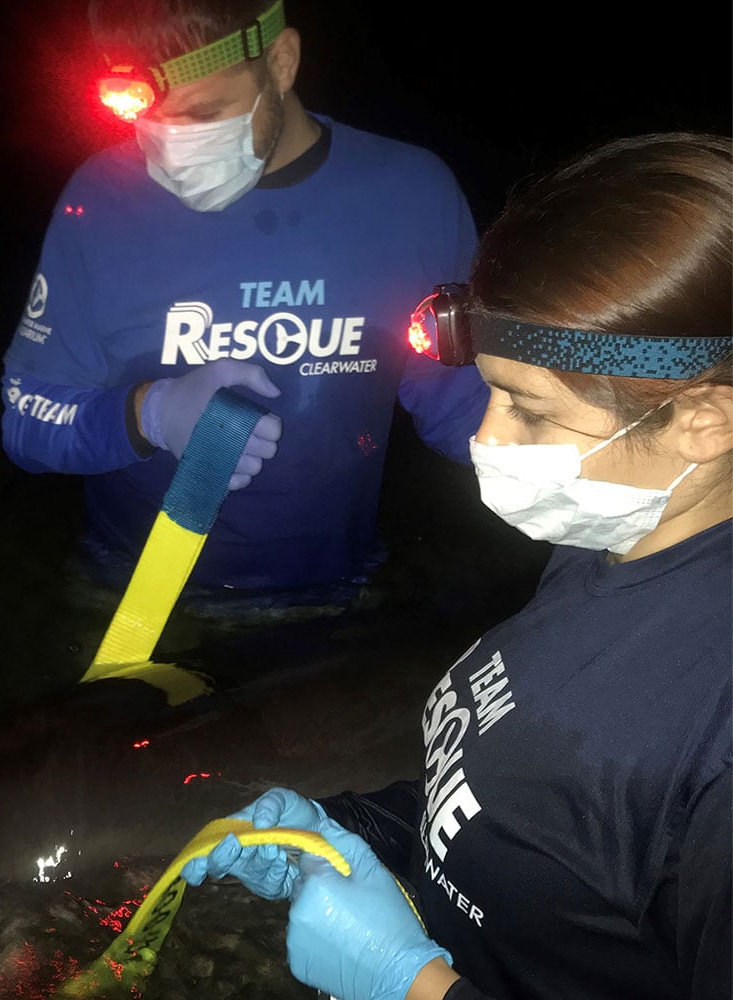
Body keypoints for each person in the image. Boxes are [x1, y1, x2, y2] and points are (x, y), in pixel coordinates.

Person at [181, 131, 733, 999]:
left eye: (531, 411)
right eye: (490, 391)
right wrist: (353, 831)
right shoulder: (613, 544)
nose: (484, 438)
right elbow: (536, 809)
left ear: (706, 419)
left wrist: (416, 988)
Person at [0, 0, 489, 613]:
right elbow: (27, 421)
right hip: (133, 591)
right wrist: (146, 415)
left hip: (337, 590)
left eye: (205, 114)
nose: (174, 151)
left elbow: (466, 409)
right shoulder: (99, 202)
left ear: (281, 61)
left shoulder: (410, 193)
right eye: (149, 121)